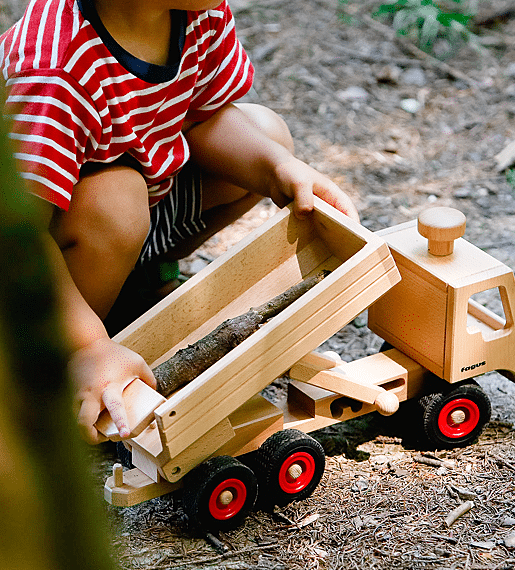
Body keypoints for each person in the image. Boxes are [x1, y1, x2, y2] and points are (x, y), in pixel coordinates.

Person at [0, 0, 359, 445]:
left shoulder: (194, 12)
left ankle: (131, 290)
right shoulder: (56, 68)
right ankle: (56, 358)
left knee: (267, 137)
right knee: (116, 202)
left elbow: (202, 118)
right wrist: (87, 345)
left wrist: (279, 169)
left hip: (134, 206)